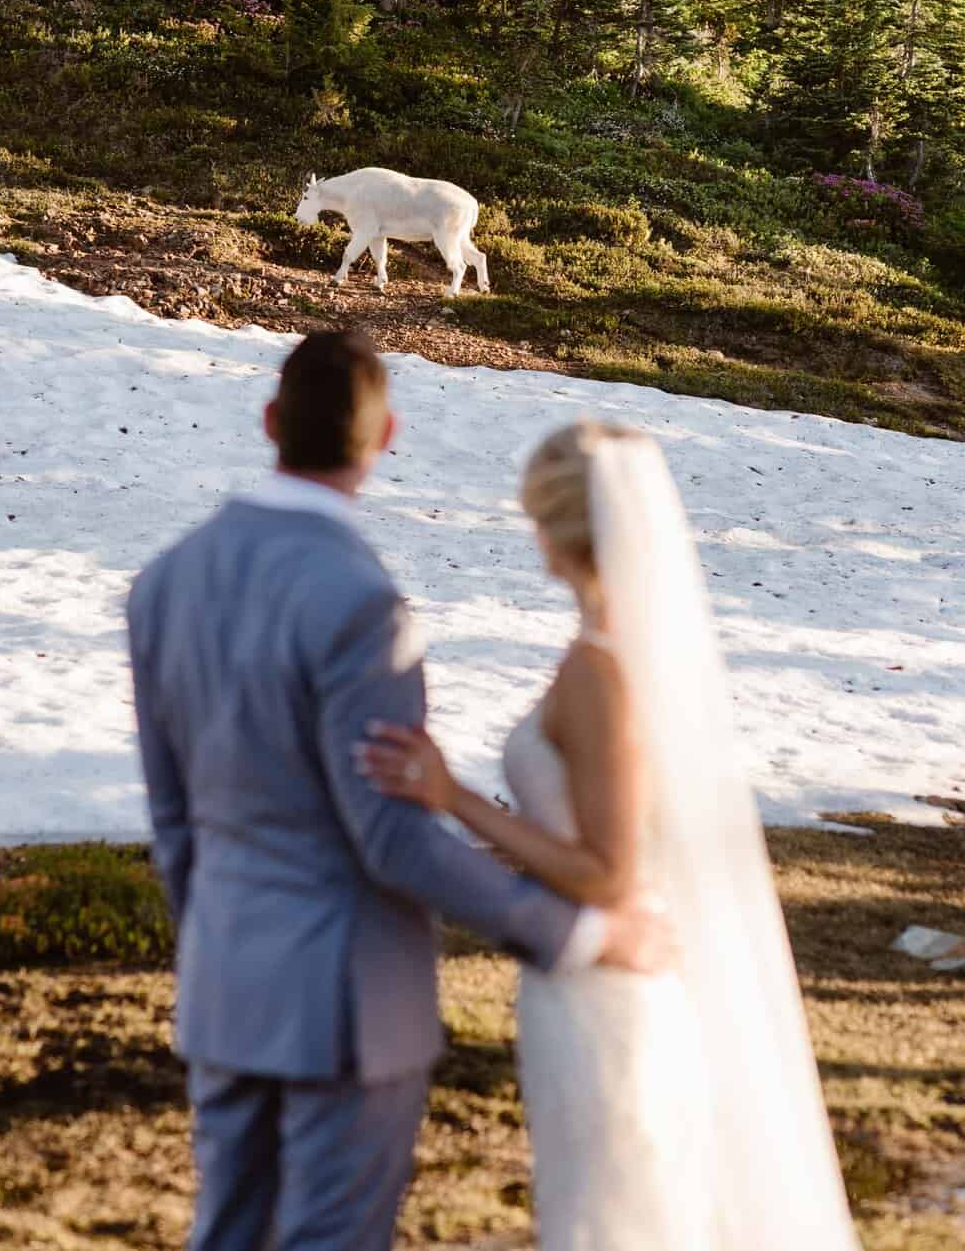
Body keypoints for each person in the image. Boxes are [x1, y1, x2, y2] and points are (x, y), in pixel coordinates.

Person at [126, 333, 667, 1251]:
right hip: (345, 1004)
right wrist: (577, 933)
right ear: (386, 438)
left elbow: (173, 823)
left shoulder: (160, 583)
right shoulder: (363, 607)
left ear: (269, 423)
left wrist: (219, 949)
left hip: (224, 984)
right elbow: (392, 840)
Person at [362, 421, 863, 1251]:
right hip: (585, 985)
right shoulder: (612, 656)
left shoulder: (601, 671)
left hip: (607, 993)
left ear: (557, 530)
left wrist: (454, 796)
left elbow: (609, 873)